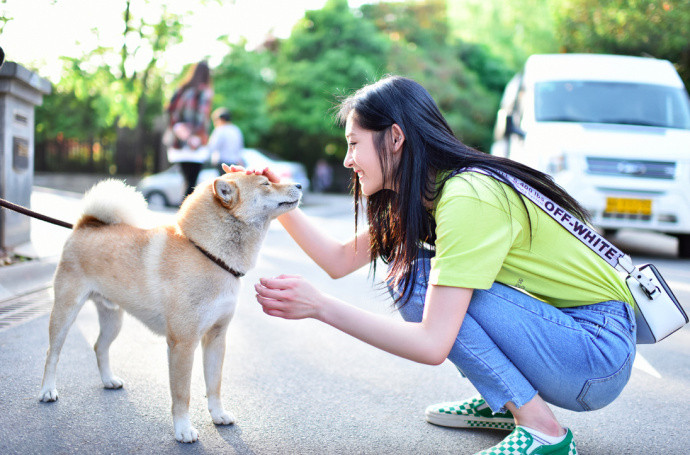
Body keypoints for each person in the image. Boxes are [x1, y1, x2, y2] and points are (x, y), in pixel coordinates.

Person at [247, 76, 636, 455]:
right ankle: (504, 397)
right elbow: (338, 259)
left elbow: (432, 343)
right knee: (415, 276)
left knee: (414, 280)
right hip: (568, 342)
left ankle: (543, 430)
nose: (348, 160)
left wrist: (320, 307)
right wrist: (276, 197)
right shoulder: (430, 193)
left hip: (593, 355)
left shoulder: (468, 196)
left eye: (353, 144)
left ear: (395, 138)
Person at [166, 61, 213, 197]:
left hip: (178, 143)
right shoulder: (204, 91)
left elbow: (171, 113)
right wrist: (195, 137)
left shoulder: (182, 89)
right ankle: (186, 217)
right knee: (191, 184)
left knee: (187, 182)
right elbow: (201, 118)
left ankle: (182, 215)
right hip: (195, 144)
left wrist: (183, 133)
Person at [208, 107, 245, 175]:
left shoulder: (220, 130)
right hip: (234, 162)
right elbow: (240, 147)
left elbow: (212, 146)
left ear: (220, 119)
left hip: (222, 163)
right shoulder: (236, 130)